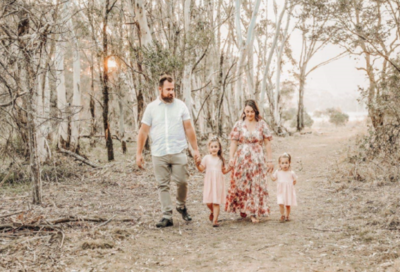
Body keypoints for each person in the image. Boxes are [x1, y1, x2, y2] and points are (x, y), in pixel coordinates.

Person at [136, 74, 200, 228]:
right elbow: (143, 131)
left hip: (178, 151)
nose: (171, 92)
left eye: (173, 89)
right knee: (162, 185)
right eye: (168, 89)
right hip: (159, 153)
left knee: (182, 182)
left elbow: (189, 128)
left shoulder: (181, 106)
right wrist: (138, 154)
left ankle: (181, 205)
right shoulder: (151, 108)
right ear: (160, 89)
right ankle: (167, 216)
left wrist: (195, 149)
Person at [225, 99, 274, 223]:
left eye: (252, 111)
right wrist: (231, 158)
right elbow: (233, 143)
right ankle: (243, 207)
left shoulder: (262, 124)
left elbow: (267, 143)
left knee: (255, 184)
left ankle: (254, 212)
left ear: (255, 111)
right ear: (244, 111)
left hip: (257, 158)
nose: (250, 114)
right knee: (242, 183)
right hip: (242, 158)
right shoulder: (239, 124)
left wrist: (270, 160)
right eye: (247, 111)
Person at [195, 136, 231, 227]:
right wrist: (197, 163)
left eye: (216, 147)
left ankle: (215, 220)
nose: (214, 148)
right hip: (209, 182)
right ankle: (212, 211)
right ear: (209, 148)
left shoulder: (221, 159)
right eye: (212, 147)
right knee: (208, 201)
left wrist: (230, 168)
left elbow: (224, 171)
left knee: (216, 201)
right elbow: (201, 169)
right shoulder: (207, 158)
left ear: (219, 148)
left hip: (218, 182)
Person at [269, 153, 298, 222]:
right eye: (282, 163)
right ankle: (282, 215)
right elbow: (273, 179)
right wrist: (270, 174)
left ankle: (287, 215)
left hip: (288, 191)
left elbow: (295, 179)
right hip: (281, 191)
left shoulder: (291, 172)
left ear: (289, 163)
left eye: (286, 163)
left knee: (288, 204)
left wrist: (294, 181)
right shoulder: (278, 172)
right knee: (280, 203)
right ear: (279, 164)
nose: (284, 164)